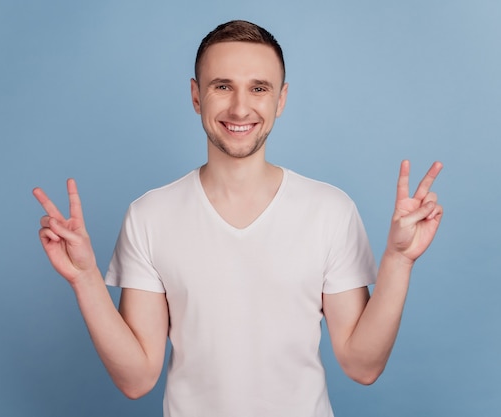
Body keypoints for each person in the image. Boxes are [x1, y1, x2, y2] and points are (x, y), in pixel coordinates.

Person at [33, 20, 443, 417]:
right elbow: (137, 378)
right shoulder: (150, 216)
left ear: (280, 99)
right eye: (222, 86)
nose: (240, 107)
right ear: (196, 97)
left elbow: (362, 366)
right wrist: (85, 279)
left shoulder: (329, 211)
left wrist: (398, 262)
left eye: (258, 88)